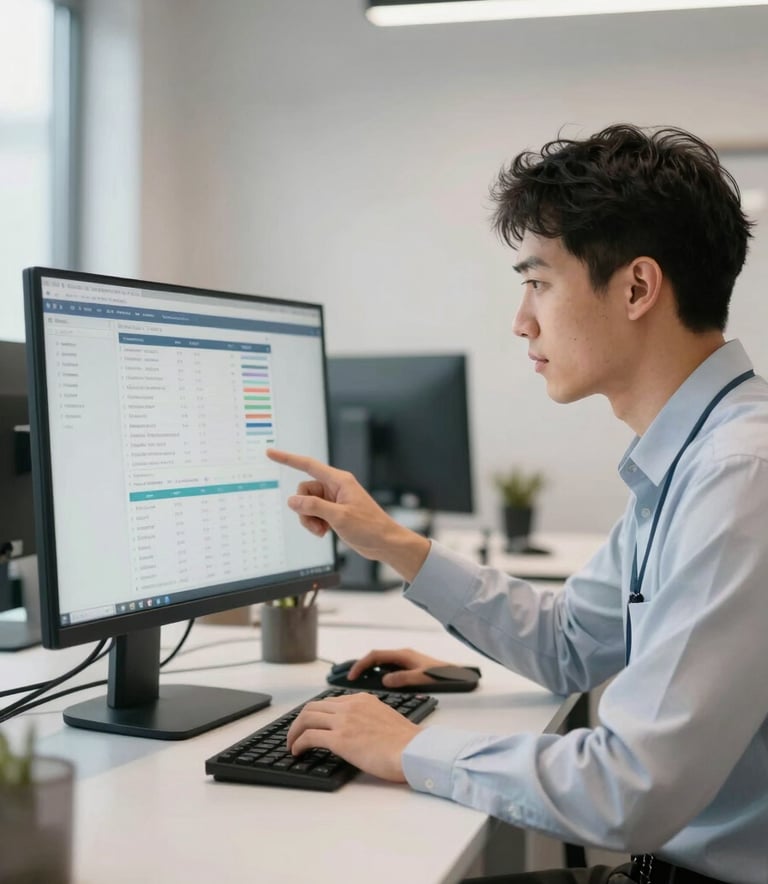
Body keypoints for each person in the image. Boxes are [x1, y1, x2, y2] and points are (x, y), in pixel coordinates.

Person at [267, 124, 768, 884]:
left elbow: (631, 788)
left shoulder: (739, 475)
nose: (521, 319)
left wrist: (409, 748)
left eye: (538, 280)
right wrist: (391, 541)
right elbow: (571, 642)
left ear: (637, 288)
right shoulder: (701, 452)